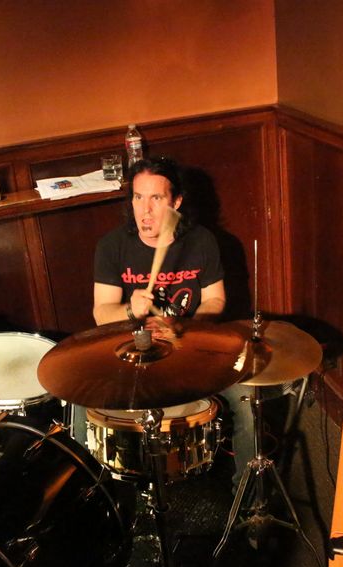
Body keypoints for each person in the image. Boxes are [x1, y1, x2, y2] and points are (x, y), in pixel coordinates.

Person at [73, 156, 270, 490]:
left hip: (191, 347)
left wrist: (183, 325)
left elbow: (215, 300)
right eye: (138, 197)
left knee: (248, 402)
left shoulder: (201, 241)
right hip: (133, 351)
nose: (145, 210)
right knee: (81, 403)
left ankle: (250, 502)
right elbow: (101, 312)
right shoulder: (112, 246)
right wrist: (131, 310)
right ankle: (99, 497)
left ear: (176, 201)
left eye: (156, 198)